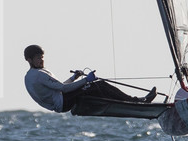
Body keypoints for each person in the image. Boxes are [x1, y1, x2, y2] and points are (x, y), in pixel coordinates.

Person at [21, 44, 155, 113]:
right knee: (99, 85)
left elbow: (59, 87)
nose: (41, 60)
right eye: (38, 58)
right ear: (29, 60)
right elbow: (63, 89)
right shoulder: (38, 75)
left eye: (42, 57)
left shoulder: (30, 76)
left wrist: (74, 77)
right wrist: (86, 80)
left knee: (94, 88)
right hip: (64, 102)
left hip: (61, 102)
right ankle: (137, 102)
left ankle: (133, 102)